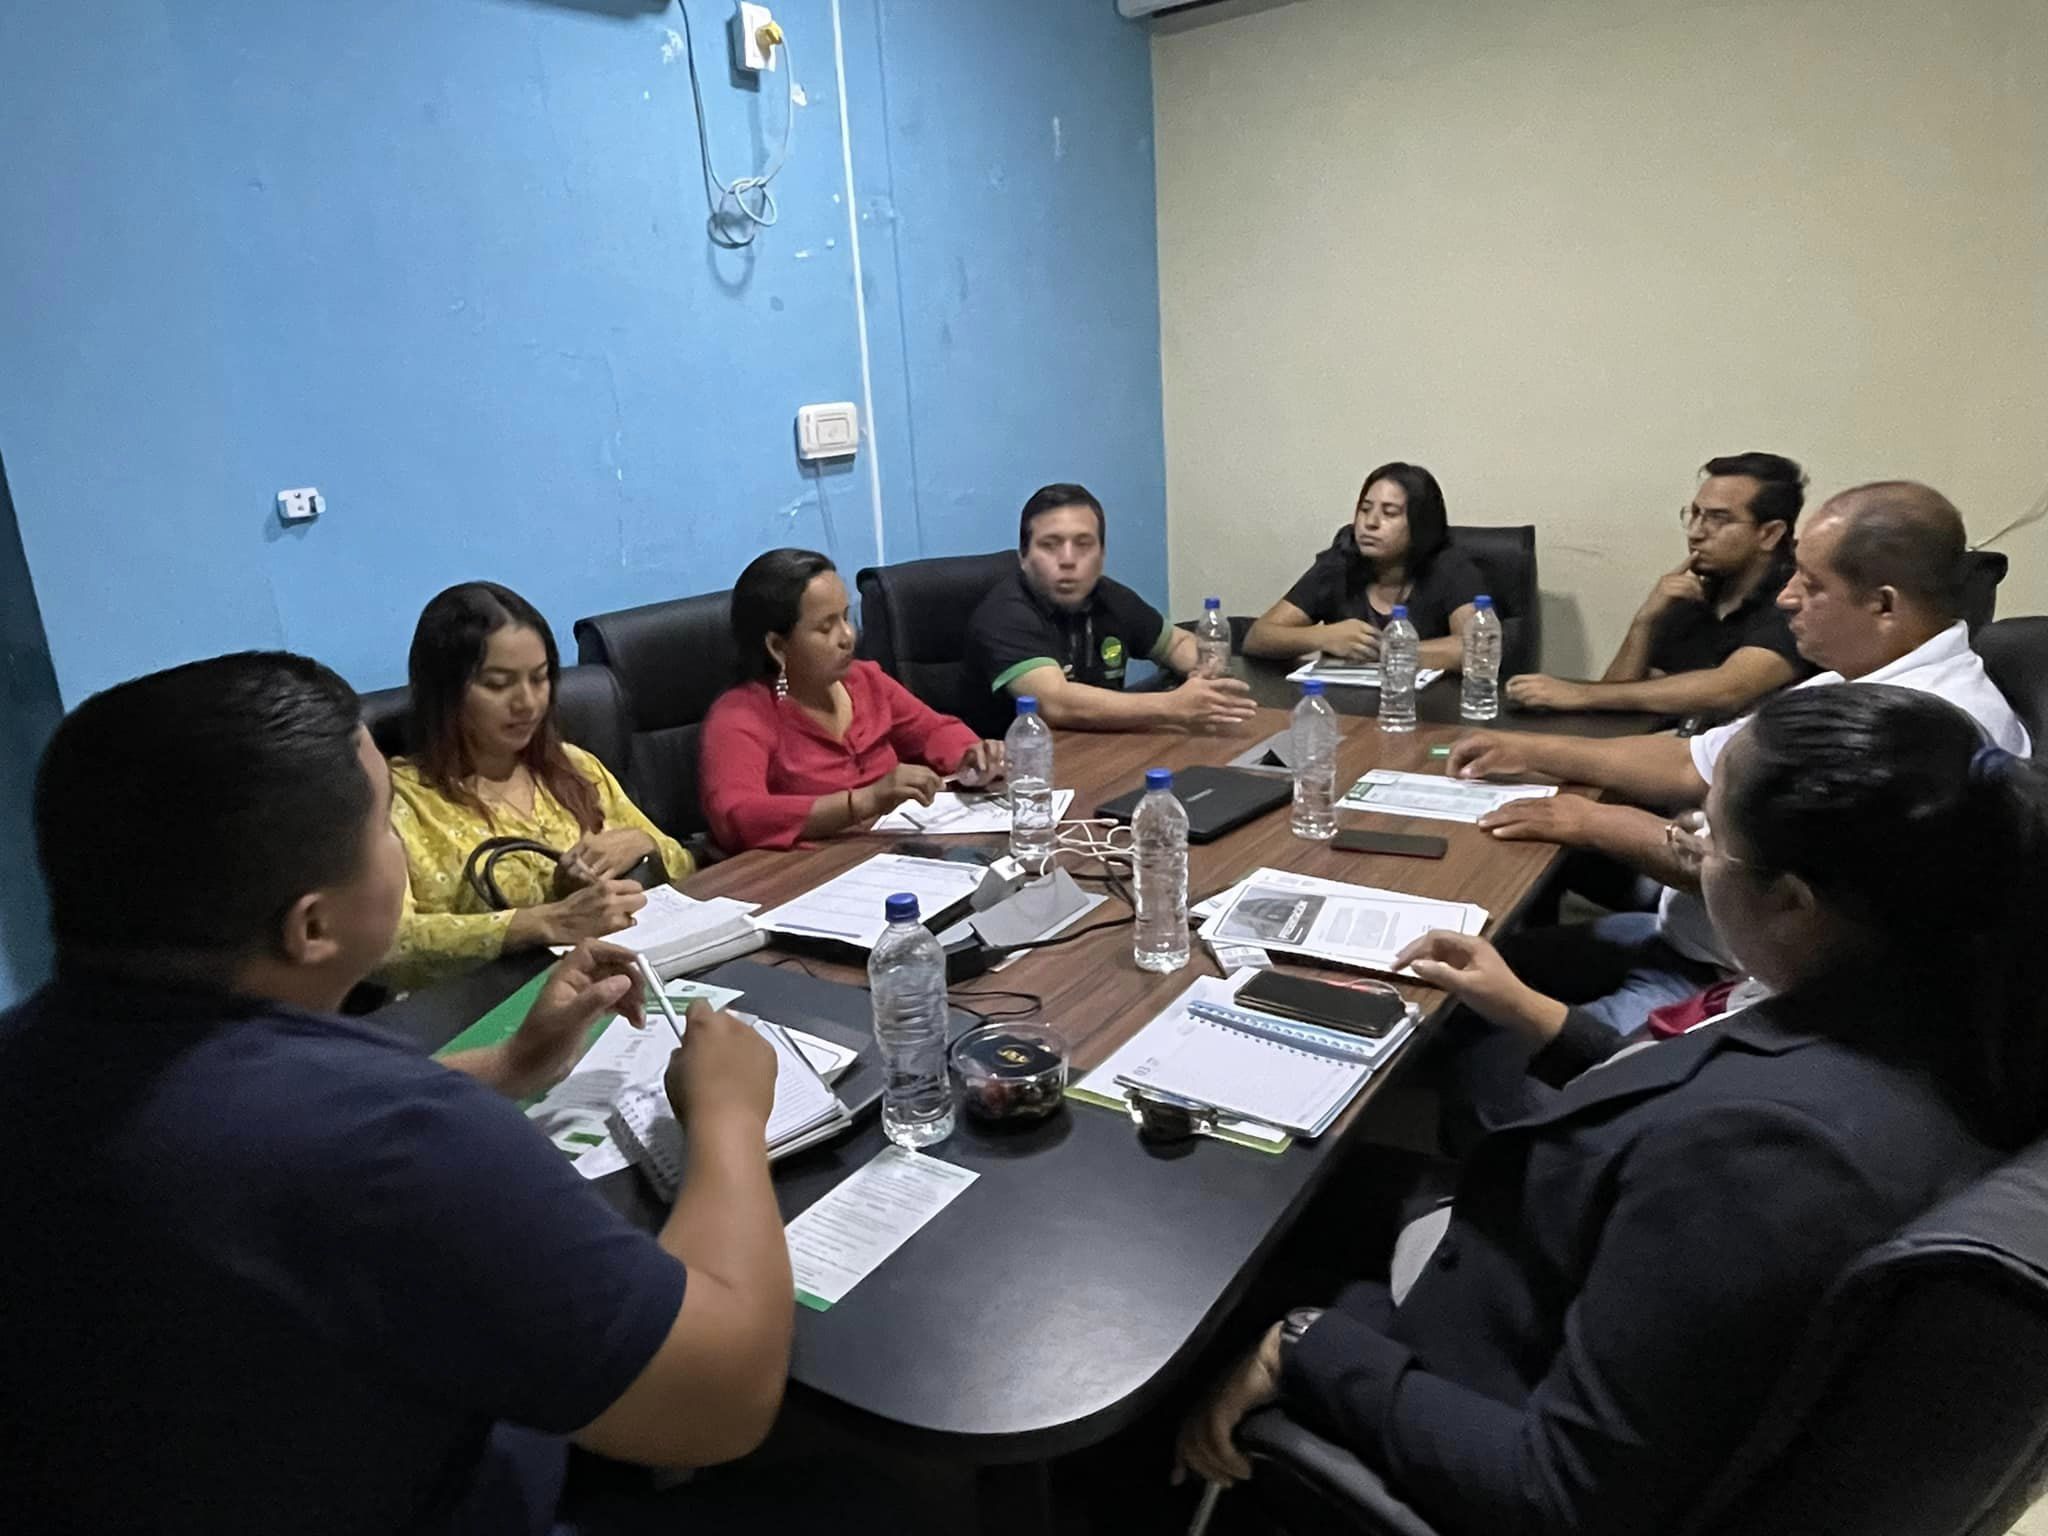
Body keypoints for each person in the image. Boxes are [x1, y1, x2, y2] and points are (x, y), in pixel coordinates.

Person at [1177, 683, 2048, 1536]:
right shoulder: (1934, 1009)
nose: (1692, 846)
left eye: (1709, 833)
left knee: (1215, 1236)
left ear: (1792, 901)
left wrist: (1306, 1344)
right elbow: (1689, 1089)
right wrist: (1532, 1014)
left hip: (1468, 1363)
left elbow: (1560, 1495)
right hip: (1552, 1263)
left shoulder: (1767, 1159)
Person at [0, 652, 795, 1535]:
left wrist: (513, 1065)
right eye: (384, 824)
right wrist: (727, 1113)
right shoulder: (395, 1140)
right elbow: (723, 1397)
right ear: (313, 926)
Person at [1450, 480, 2030, 1036]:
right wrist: (1527, 749)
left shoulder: (1913, 733)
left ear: (1883, 604)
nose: (1786, 597)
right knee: (1484, 968)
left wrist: (1590, 821)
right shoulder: (1854, 681)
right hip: (1697, 938)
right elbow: (1690, 762)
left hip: (1758, 994)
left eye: (1811, 584)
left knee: (1490, 1054)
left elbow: (1756, 883)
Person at [381, 582, 694, 991]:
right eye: (498, 684)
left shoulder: (574, 766)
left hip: (608, 983)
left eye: (540, 678)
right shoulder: (397, 798)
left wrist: (642, 843)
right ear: (444, 691)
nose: (527, 703)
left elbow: (684, 864)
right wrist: (541, 922)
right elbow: (388, 945)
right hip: (479, 1004)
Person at [701, 547, 1008, 852]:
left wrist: (972, 756)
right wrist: (863, 801)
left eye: (846, 617)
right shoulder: (740, 716)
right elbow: (737, 815)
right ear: (777, 646)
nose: (847, 636)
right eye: (826, 628)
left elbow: (933, 731)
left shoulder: (865, 680)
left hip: (891, 853)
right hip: (807, 869)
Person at [1506, 451, 1813, 719]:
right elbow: (1614, 704)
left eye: (1718, 519)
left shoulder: (1800, 599)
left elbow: (1727, 690)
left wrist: (1580, 693)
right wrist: (1645, 622)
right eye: (1695, 514)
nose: (1696, 533)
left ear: (1769, 534)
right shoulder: (1696, 593)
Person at [966, 482, 1258, 732]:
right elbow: (1055, 703)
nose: (1068, 560)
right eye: (1050, 545)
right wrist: (1173, 705)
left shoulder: (1110, 598)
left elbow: (1175, 643)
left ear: (1102, 554)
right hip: (1021, 768)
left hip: (1101, 749)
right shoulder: (1004, 613)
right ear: (1023, 556)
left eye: (1083, 544)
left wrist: (1205, 670)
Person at [1242, 461, 1486, 671]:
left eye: (1389, 513)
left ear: (1421, 524)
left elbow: (1476, 648)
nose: (1370, 522)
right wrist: (1323, 637)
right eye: (1365, 509)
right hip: (1347, 704)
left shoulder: (1450, 566)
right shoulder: (1339, 563)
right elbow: (1257, 637)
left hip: (1430, 706)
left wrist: (1383, 649)